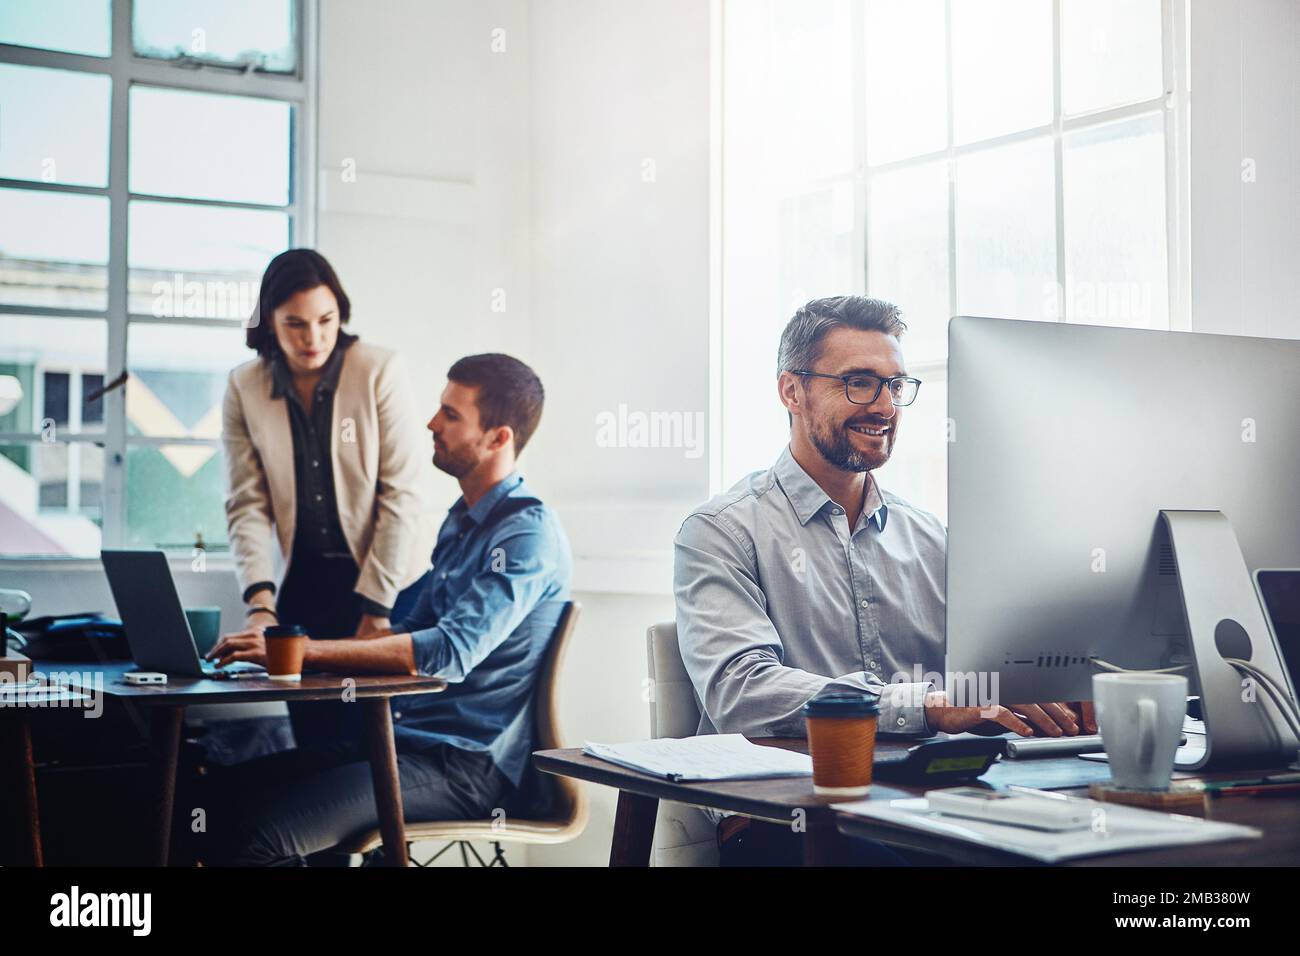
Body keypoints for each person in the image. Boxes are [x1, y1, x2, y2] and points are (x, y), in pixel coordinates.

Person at [673, 295, 1096, 864]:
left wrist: (1043, 680)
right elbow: (741, 693)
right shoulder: (721, 531)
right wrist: (927, 706)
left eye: (895, 386)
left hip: (930, 795)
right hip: (791, 810)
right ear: (791, 391)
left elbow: (980, 672)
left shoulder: (932, 537)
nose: (884, 406)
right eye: (858, 382)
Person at [202, 353, 572, 866]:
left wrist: (300, 654)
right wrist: (279, 652)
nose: (431, 423)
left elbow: (449, 652)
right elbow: (403, 631)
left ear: (498, 438)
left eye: (451, 415)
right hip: (404, 743)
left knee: (260, 837)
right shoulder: (462, 522)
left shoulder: (526, 534)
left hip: (464, 766)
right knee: (217, 796)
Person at [220, 248, 427, 751]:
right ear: (269, 320)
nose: (312, 338)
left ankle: (377, 833)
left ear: (341, 313)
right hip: (305, 586)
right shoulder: (244, 385)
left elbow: (400, 494)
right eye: (294, 324)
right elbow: (247, 504)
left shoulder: (378, 369)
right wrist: (260, 604)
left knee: (372, 747)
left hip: (388, 586)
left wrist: (377, 608)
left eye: (325, 320)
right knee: (314, 745)